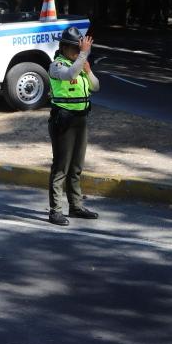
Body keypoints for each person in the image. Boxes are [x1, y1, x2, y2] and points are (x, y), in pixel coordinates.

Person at [47, 26, 101, 226]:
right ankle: (55, 210)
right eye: (75, 49)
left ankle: (76, 206)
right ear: (63, 47)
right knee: (61, 166)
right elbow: (70, 74)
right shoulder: (57, 66)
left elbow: (96, 86)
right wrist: (84, 55)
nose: (78, 52)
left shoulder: (80, 64)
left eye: (80, 49)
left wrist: (89, 70)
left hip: (80, 120)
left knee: (76, 167)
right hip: (63, 120)